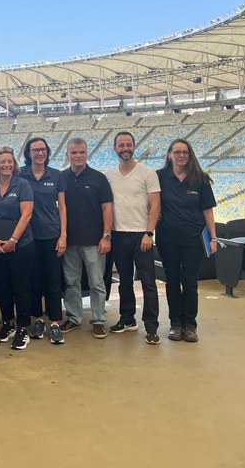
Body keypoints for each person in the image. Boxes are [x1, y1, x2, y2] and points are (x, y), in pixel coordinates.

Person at [156, 139, 217, 343]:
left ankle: (190, 325)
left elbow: (207, 210)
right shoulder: (160, 177)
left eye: (185, 152)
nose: (181, 156)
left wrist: (213, 238)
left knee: (190, 283)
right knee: (172, 281)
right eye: (177, 152)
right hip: (167, 238)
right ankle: (175, 323)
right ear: (169, 154)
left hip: (193, 239)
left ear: (190, 155)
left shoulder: (200, 179)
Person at [104, 131, 162, 345]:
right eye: (121, 145)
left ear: (134, 147)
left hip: (141, 235)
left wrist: (149, 233)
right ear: (115, 149)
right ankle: (127, 319)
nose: (125, 148)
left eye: (128, 144)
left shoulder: (147, 173)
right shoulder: (109, 175)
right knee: (125, 282)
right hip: (119, 235)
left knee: (148, 283)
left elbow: (155, 205)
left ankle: (151, 327)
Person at [61, 138, 113, 339]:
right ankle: (74, 318)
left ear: (87, 154)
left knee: (96, 282)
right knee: (71, 282)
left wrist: (106, 236)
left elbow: (107, 208)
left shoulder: (99, 178)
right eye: (74, 153)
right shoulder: (62, 178)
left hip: (94, 241)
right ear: (67, 155)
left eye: (81, 152)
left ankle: (98, 320)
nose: (78, 156)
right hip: (70, 241)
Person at [0, 146, 35, 350]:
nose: (6, 165)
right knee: (3, 287)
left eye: (9, 161)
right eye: (2, 161)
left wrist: (13, 240)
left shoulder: (22, 184)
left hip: (20, 245)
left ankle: (23, 327)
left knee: (21, 288)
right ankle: (8, 323)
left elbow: (27, 214)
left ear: (14, 164)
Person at [20, 137, 68, 345]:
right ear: (28, 153)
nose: (39, 153)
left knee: (53, 282)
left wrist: (63, 235)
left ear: (47, 152)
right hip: (28, 238)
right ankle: (38, 319)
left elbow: (63, 207)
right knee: (33, 281)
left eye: (42, 149)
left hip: (51, 235)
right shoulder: (21, 174)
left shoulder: (56, 175)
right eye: (35, 150)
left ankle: (55, 323)